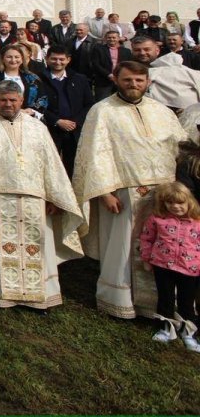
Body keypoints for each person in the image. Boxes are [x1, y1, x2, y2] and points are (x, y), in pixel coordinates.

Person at [74, 61, 187, 319]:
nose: (133, 85)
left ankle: (163, 302)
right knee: (123, 248)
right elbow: (94, 154)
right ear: (116, 79)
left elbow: (180, 146)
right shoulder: (102, 111)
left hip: (164, 196)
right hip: (124, 193)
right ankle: (119, 300)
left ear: (148, 82)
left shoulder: (162, 111)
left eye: (139, 80)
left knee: (165, 246)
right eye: (127, 80)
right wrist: (104, 193)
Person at [0, 80, 85, 310]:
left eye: (13, 100)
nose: (8, 104)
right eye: (3, 100)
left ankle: (38, 296)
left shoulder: (37, 127)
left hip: (34, 197)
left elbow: (51, 163)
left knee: (37, 243)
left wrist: (53, 196)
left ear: (22, 100)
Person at [138, 182, 200, 349]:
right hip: (163, 266)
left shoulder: (197, 222)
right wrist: (146, 259)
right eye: (170, 203)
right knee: (165, 299)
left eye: (180, 203)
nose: (175, 207)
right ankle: (165, 329)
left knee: (186, 302)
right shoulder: (157, 219)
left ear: (189, 202)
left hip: (190, 269)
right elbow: (146, 239)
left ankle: (188, 333)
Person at [40, 45, 93, 177]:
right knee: (50, 165)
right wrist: (56, 121)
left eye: (61, 59)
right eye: (54, 59)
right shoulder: (38, 79)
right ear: (47, 59)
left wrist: (75, 122)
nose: (58, 62)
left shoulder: (80, 78)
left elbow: (89, 104)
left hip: (74, 130)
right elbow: (37, 105)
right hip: (50, 129)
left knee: (74, 166)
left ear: (68, 60)